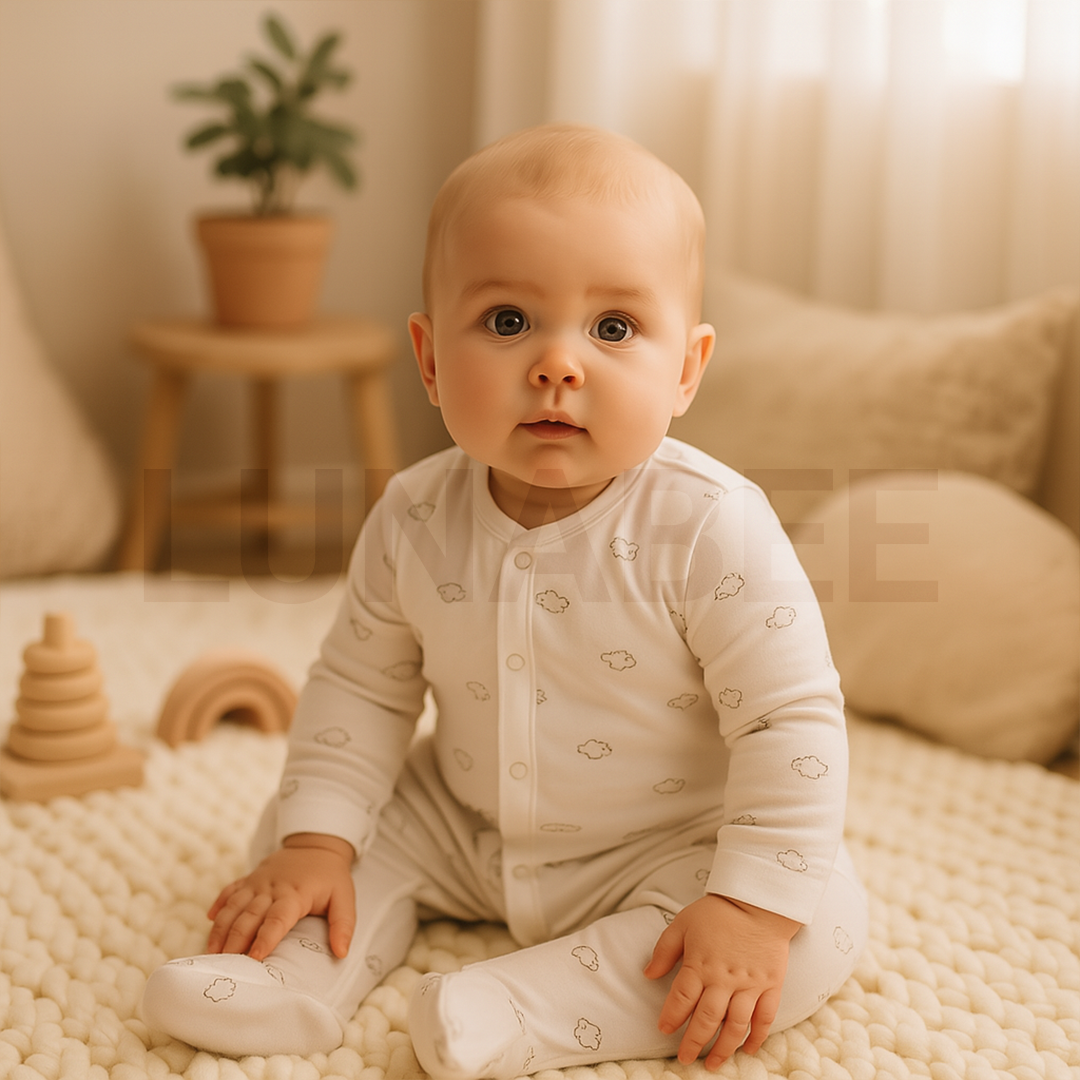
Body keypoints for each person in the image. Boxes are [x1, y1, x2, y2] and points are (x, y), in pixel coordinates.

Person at [141, 122, 867, 1077]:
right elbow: (361, 687)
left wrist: (751, 905)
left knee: (817, 925)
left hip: (666, 843)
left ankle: (514, 1007)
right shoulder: (411, 515)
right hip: (462, 822)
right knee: (302, 822)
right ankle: (298, 974)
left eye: (613, 329)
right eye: (509, 321)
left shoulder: (710, 527)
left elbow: (788, 722)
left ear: (685, 369)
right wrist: (317, 841)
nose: (558, 364)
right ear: (432, 357)